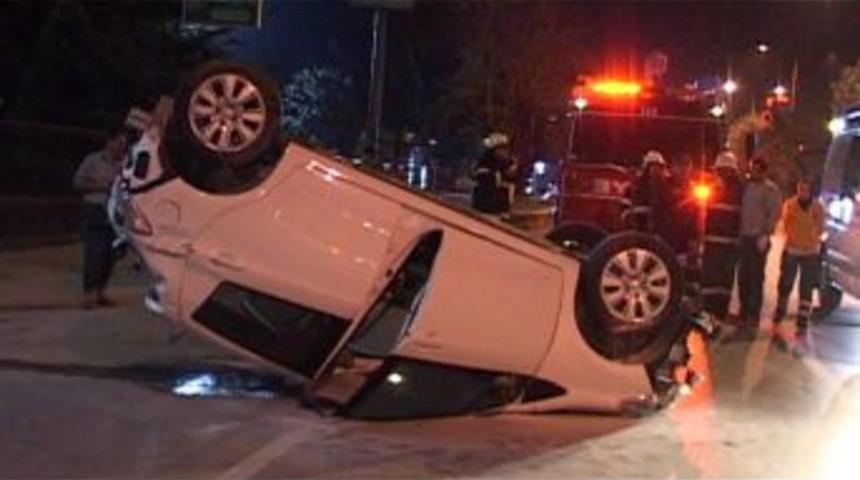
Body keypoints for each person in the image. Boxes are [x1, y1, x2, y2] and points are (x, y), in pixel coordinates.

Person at [73, 127, 127, 309]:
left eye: (123, 144)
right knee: (94, 253)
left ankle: (101, 292)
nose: (121, 147)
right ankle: (89, 294)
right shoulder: (93, 160)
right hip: (95, 208)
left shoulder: (124, 164)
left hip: (115, 212)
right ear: (109, 142)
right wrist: (102, 186)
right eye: (119, 142)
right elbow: (78, 182)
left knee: (110, 254)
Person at [734, 156, 782, 338]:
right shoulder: (746, 187)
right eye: (751, 169)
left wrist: (766, 234)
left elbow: (774, 214)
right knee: (743, 278)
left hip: (758, 239)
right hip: (744, 238)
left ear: (763, 171)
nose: (752, 172)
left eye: (755, 169)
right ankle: (743, 313)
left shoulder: (771, 190)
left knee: (756, 278)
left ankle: (753, 316)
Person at [773, 178, 825, 339]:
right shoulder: (790, 204)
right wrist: (789, 239)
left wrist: (815, 240)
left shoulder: (818, 207)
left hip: (810, 252)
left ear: (810, 191)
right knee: (785, 283)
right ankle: (780, 311)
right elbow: (784, 223)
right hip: (792, 250)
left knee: (806, 288)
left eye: (805, 189)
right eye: (800, 189)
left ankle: (802, 321)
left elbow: (822, 227)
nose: (802, 192)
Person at [701, 151, 744, 322]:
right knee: (711, 277)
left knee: (725, 279)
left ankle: (720, 311)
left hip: (729, 241)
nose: (723, 173)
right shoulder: (709, 186)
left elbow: (742, 213)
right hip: (713, 239)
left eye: (726, 170)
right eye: (721, 170)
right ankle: (708, 310)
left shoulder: (740, 188)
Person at [629, 149, 693, 253]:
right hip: (660, 239)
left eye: (686, 165)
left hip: (681, 242)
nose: (683, 170)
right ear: (672, 167)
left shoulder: (693, 189)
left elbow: (696, 217)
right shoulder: (662, 186)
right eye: (680, 165)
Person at [471, 132, 517, 215]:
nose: (505, 152)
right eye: (501, 149)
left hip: (500, 210)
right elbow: (485, 182)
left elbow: (512, 182)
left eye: (505, 149)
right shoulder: (485, 166)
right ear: (494, 150)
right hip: (485, 210)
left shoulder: (506, 165)